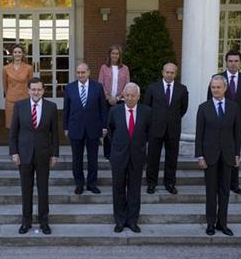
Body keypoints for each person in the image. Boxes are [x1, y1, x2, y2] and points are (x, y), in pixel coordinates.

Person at [10, 77, 59, 235]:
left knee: (43, 189)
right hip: (24, 155)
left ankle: (44, 222)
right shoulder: (19, 106)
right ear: (28, 90)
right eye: (33, 89)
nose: (36, 92)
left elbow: (55, 135)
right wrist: (14, 152)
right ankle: (26, 222)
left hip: (44, 154)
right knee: (26, 190)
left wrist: (55, 154)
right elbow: (13, 132)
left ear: (43, 90)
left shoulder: (51, 107)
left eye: (39, 89)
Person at [196, 75, 240, 236]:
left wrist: (237, 154)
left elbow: (237, 133)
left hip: (228, 155)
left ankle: (222, 223)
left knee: (224, 192)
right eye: (213, 87)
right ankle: (210, 223)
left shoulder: (234, 107)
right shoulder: (203, 107)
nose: (215, 90)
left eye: (218, 87)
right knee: (211, 191)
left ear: (225, 88)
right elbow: (199, 134)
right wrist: (199, 156)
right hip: (209, 156)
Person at [107, 83, 151, 233]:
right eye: (127, 95)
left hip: (137, 157)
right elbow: (111, 132)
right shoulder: (114, 111)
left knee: (134, 190)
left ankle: (132, 221)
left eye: (133, 95)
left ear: (138, 97)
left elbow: (148, 132)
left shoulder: (147, 112)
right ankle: (119, 221)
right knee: (118, 189)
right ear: (123, 96)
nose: (130, 98)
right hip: (119, 156)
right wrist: (121, 145)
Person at [207, 50, 241, 195]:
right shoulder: (217, 78)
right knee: (219, 147)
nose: (233, 64)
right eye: (230, 61)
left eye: (236, 61)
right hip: (220, 120)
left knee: (235, 149)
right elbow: (210, 99)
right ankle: (219, 180)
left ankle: (234, 183)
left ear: (240, 63)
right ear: (226, 62)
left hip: (238, 121)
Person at [144, 63, 189, 194]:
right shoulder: (153, 88)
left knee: (172, 158)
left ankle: (170, 183)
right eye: (167, 72)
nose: (169, 75)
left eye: (172, 73)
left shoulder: (182, 89)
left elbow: (183, 109)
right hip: (155, 128)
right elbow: (147, 107)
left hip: (173, 128)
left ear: (176, 73)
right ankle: (151, 183)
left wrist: (172, 119)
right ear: (162, 72)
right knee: (153, 157)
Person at [63, 63, 107, 195]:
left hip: (93, 128)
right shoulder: (69, 88)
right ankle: (79, 184)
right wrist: (65, 127)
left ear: (88, 72)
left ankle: (92, 184)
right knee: (77, 159)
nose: (81, 75)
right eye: (78, 72)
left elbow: (103, 109)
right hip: (75, 128)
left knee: (93, 158)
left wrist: (104, 126)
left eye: (83, 72)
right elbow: (66, 110)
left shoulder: (98, 87)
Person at [98, 44, 130, 159]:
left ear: (120, 55)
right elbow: (100, 84)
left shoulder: (125, 68)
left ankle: (118, 152)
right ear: (109, 54)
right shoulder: (104, 67)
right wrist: (108, 97)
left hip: (120, 101)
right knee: (107, 127)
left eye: (117, 53)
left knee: (119, 127)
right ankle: (107, 153)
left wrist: (117, 98)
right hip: (106, 102)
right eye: (113, 53)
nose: (115, 55)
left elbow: (127, 85)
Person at [2, 44, 33, 129]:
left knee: (24, 126)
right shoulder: (6, 68)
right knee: (12, 127)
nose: (17, 54)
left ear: (22, 54)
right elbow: (5, 85)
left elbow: (31, 85)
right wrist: (8, 95)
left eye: (19, 52)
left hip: (24, 100)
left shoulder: (28, 68)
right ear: (12, 54)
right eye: (15, 52)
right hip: (11, 100)